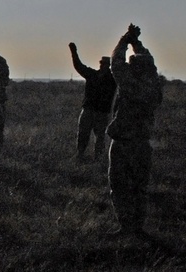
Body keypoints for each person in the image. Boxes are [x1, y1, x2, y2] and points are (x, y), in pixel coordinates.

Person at [105, 24, 163, 238]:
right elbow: (150, 63)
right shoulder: (153, 85)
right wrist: (136, 43)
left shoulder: (128, 82)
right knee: (139, 187)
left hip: (123, 142)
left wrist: (125, 39)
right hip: (143, 143)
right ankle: (137, 227)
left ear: (133, 68)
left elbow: (116, 62)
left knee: (119, 186)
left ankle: (126, 227)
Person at [69, 42, 117, 161]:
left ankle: (98, 158)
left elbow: (79, 66)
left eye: (105, 64)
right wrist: (74, 53)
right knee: (83, 134)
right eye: (102, 64)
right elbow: (78, 66)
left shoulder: (113, 80)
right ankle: (81, 155)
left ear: (109, 66)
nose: (102, 66)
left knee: (99, 137)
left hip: (101, 113)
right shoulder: (93, 75)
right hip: (89, 111)